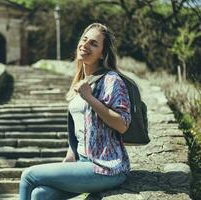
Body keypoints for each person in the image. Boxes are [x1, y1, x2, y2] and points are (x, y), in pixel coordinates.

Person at [19, 23, 131, 200]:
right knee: (40, 195)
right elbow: (80, 128)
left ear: (102, 53)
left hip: (107, 167)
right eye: (84, 40)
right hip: (83, 163)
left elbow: (123, 124)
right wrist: (70, 156)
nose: (85, 45)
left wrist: (90, 98)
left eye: (93, 44)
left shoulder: (112, 80)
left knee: (29, 175)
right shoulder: (80, 81)